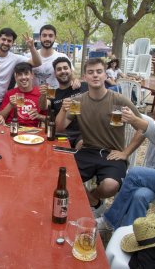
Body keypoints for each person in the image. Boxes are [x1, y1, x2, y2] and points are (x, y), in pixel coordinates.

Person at [97, 78, 155, 230]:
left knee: (135, 173)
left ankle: (109, 221)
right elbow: (151, 132)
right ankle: (128, 237)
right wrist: (125, 152)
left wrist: (138, 122)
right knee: (139, 195)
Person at [56, 58, 144, 216]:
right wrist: (63, 110)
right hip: (88, 150)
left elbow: (143, 128)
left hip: (113, 153)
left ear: (105, 75)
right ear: (85, 77)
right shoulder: (78, 101)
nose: (95, 75)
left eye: (99, 72)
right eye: (91, 72)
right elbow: (60, 128)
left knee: (110, 185)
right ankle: (93, 203)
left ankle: (93, 197)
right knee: (61, 178)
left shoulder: (119, 100)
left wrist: (125, 153)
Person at [0, 28, 42, 108]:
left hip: (1, 101)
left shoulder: (15, 58)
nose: (6, 43)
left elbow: (37, 63)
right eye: (3, 39)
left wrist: (32, 47)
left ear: (13, 43)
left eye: (9, 41)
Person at [39, 57, 88, 148]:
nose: (63, 71)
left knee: (82, 143)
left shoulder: (83, 86)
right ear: (55, 74)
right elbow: (43, 106)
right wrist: (43, 95)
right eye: (59, 69)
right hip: (62, 132)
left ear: (71, 70)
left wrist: (78, 79)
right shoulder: (53, 93)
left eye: (65, 68)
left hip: (83, 132)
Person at [30, 24, 79, 89]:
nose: (47, 38)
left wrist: (76, 80)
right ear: (40, 37)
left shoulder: (62, 56)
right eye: (44, 35)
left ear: (55, 38)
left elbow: (72, 75)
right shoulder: (30, 56)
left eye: (50, 36)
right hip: (35, 97)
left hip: (56, 97)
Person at [0, 62, 45, 127]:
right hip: (12, 128)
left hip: (32, 131)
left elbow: (48, 119)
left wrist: (39, 116)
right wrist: (10, 105)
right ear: (15, 77)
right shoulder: (10, 93)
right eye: (20, 74)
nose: (23, 77)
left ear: (32, 75)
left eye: (26, 74)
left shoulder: (40, 93)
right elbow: (0, 117)